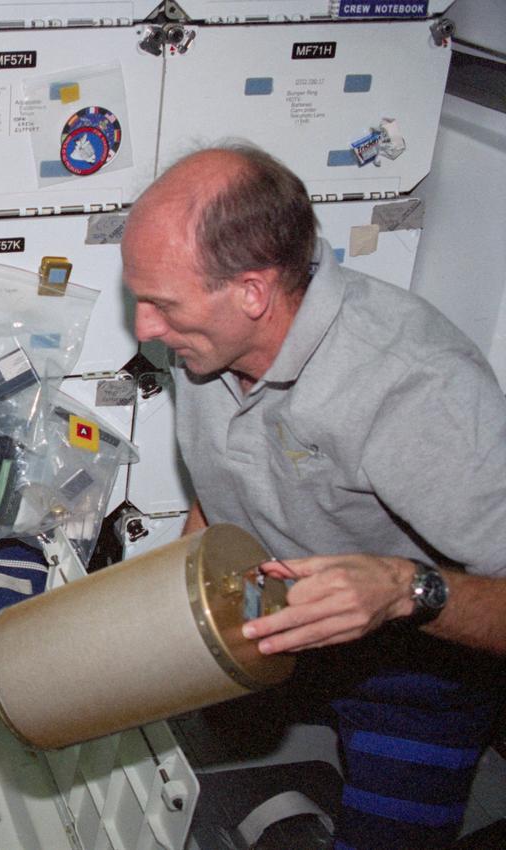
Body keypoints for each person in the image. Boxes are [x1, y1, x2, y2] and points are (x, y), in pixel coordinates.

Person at [121, 144, 506, 849]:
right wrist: (171, 602)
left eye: (161, 304)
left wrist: (403, 591)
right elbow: (228, 477)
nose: (144, 329)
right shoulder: (203, 343)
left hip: (417, 661)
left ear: (252, 292)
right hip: (278, 618)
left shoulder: (415, 387)